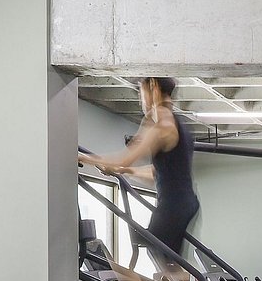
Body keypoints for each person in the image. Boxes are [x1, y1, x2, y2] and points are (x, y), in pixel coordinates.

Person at [78, 77, 200, 264]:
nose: (140, 100)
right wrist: (126, 171)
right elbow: (157, 173)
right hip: (185, 204)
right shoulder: (176, 124)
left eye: (140, 92)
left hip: (173, 206)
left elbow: (125, 158)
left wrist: (83, 158)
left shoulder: (162, 125)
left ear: (153, 86)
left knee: (155, 250)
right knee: (167, 262)